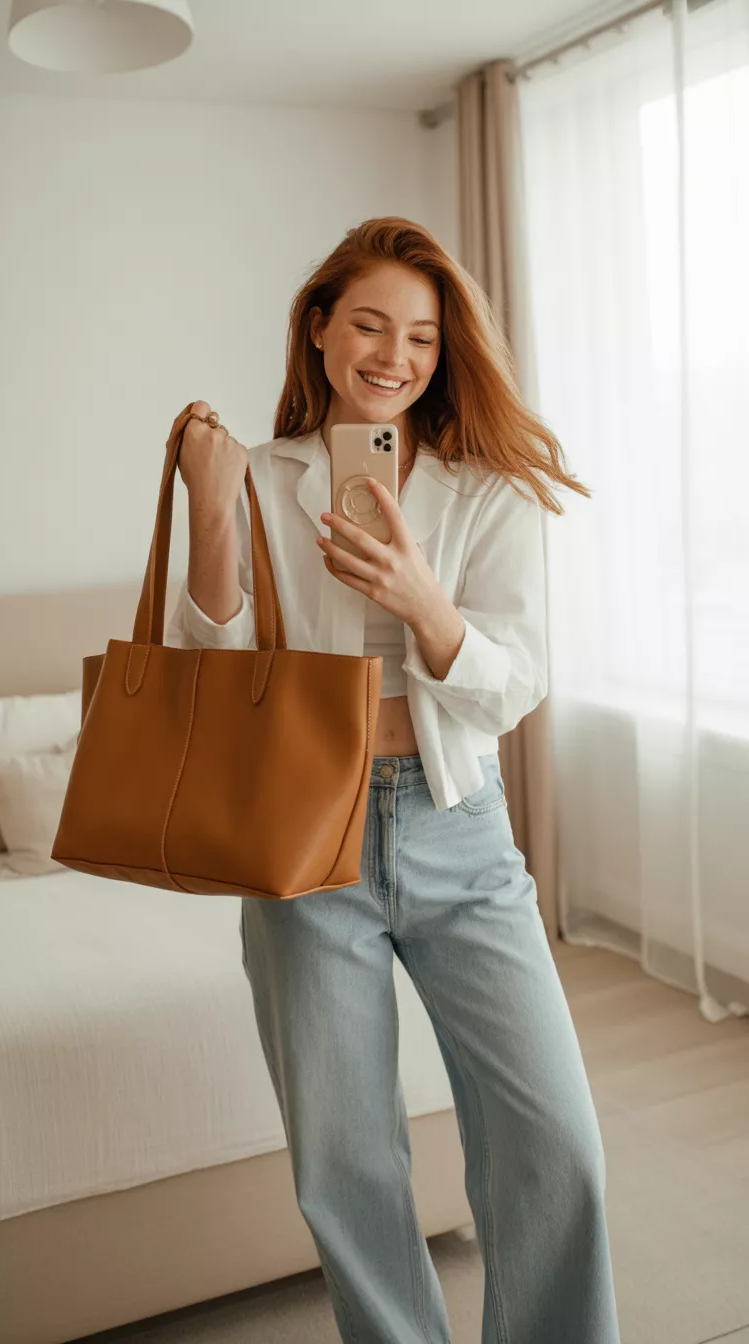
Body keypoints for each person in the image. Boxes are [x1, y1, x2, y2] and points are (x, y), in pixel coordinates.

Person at [165, 217, 622, 1344]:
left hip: (458, 830)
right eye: (368, 323)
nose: (394, 355)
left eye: (420, 335)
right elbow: (208, 683)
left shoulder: (488, 490)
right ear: (319, 330)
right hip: (302, 845)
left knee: (556, 1142)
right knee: (346, 1163)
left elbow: (514, 684)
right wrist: (212, 513)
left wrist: (424, 603)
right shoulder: (265, 478)